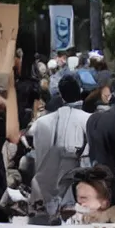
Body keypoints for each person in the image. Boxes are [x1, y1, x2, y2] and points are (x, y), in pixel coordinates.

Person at [29, 73, 90, 215]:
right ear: (80, 91)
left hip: (45, 194)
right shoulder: (89, 120)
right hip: (71, 196)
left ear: (61, 96)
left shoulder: (42, 122)